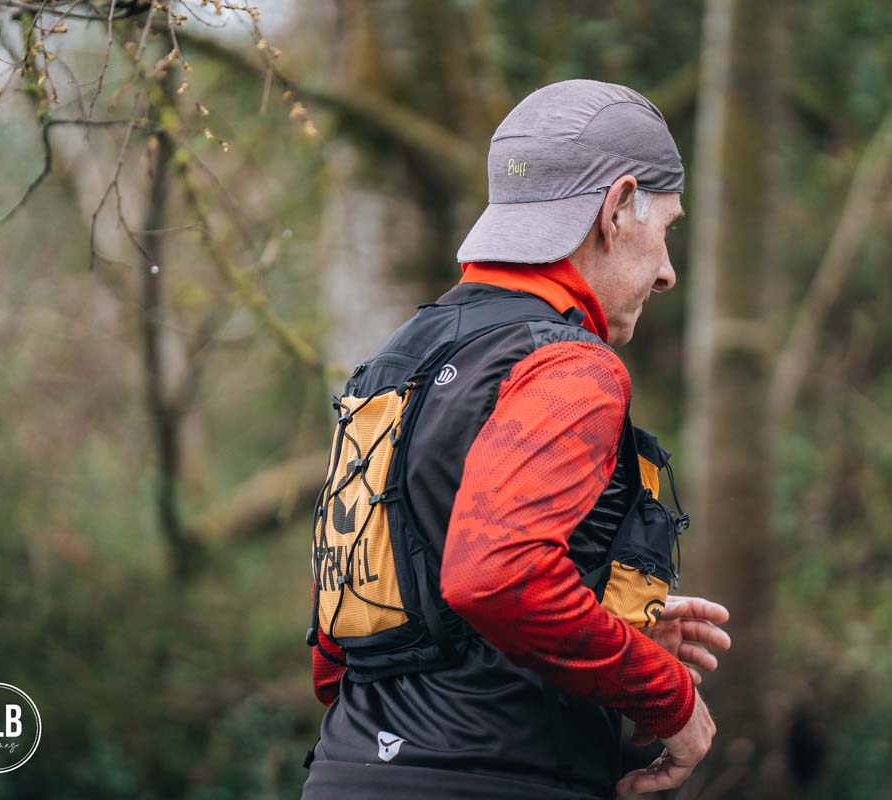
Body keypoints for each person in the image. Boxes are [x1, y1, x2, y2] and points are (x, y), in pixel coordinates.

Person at [301, 79, 731, 800]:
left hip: (343, 775)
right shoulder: (570, 367)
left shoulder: (392, 363)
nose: (667, 273)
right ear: (616, 208)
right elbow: (497, 577)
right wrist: (667, 696)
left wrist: (608, 632)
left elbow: (344, 650)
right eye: (666, 230)